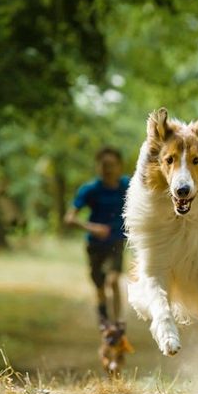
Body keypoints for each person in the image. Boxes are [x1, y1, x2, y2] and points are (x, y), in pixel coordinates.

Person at [65, 147, 133, 365]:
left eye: (112, 165)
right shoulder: (90, 190)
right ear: (98, 167)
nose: (108, 170)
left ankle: (119, 325)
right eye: (104, 166)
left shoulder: (128, 185)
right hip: (95, 245)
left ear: (120, 167)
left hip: (116, 241)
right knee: (100, 288)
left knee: (113, 280)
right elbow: (69, 218)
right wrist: (91, 227)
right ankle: (105, 325)